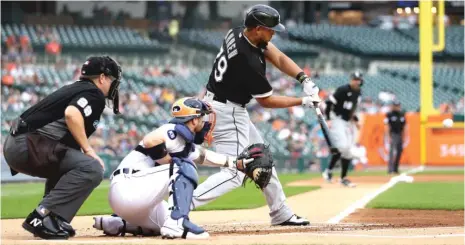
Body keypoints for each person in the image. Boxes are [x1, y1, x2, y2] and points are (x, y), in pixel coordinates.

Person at [191, 4, 320, 226]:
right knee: (235, 173)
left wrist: (303, 78)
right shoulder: (247, 60)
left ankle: (280, 212)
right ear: (258, 29)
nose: (273, 33)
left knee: (262, 158)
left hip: (224, 106)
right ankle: (177, 204)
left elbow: (277, 57)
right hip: (227, 112)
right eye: (271, 29)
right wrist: (303, 100)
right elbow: (266, 101)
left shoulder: (238, 33)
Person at [92, 97, 260, 239]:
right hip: (128, 187)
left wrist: (236, 163)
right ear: (193, 120)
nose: (205, 122)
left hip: (132, 204)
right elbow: (151, 141)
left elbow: (205, 156)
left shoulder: (182, 142)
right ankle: (178, 223)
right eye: (202, 118)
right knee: (184, 166)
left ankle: (117, 223)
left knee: (161, 222)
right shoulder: (170, 130)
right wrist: (169, 161)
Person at [2, 56, 122, 240]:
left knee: (71, 161)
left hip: (20, 143)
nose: (114, 86)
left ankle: (50, 219)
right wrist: (89, 150)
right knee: (92, 168)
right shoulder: (93, 93)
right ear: (102, 78)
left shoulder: (77, 88)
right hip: (28, 144)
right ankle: (42, 215)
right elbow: (72, 114)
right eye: (113, 80)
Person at [322, 71, 364, 187]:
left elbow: (351, 109)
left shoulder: (358, 93)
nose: (356, 81)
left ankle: (335, 174)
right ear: (351, 80)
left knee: (346, 149)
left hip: (347, 121)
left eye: (358, 79)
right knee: (344, 146)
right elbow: (329, 103)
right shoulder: (343, 90)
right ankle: (339, 176)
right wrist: (328, 119)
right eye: (354, 79)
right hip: (336, 119)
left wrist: (355, 121)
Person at [384, 100, 406, 174]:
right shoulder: (389, 114)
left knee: (399, 152)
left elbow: (404, 127)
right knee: (392, 152)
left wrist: (403, 137)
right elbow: (387, 125)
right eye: (395, 106)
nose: (397, 107)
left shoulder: (402, 114)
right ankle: (390, 169)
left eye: (398, 106)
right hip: (393, 134)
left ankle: (396, 168)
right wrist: (388, 136)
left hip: (399, 134)